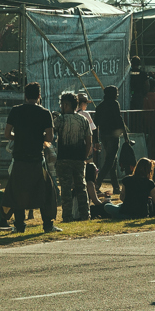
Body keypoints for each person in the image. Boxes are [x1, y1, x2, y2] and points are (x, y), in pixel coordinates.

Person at [3, 83, 59, 234]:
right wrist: (37, 138)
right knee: (44, 190)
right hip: (36, 158)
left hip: (19, 158)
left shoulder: (16, 111)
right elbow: (49, 136)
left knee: (18, 191)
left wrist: (20, 137)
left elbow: (7, 134)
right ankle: (47, 225)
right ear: (39, 96)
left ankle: (19, 226)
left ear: (25, 96)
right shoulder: (45, 113)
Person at [52, 92, 93, 223]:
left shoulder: (60, 120)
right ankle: (85, 214)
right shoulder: (83, 120)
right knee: (81, 186)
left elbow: (51, 134)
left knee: (65, 189)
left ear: (66, 105)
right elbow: (89, 141)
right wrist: (84, 156)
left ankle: (67, 216)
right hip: (79, 158)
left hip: (64, 158)